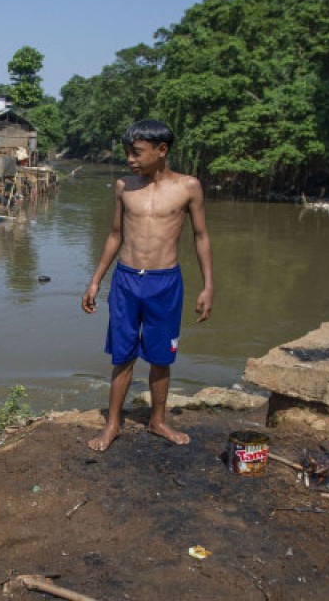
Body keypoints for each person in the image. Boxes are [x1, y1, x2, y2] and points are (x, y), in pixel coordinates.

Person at [80, 119, 213, 452]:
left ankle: (158, 420)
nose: (130, 159)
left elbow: (201, 236)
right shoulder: (124, 186)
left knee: (160, 356)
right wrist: (95, 280)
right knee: (122, 355)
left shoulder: (188, 187)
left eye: (137, 152)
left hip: (165, 282)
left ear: (162, 150)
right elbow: (114, 234)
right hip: (126, 280)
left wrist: (208, 286)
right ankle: (113, 424)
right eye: (128, 152)